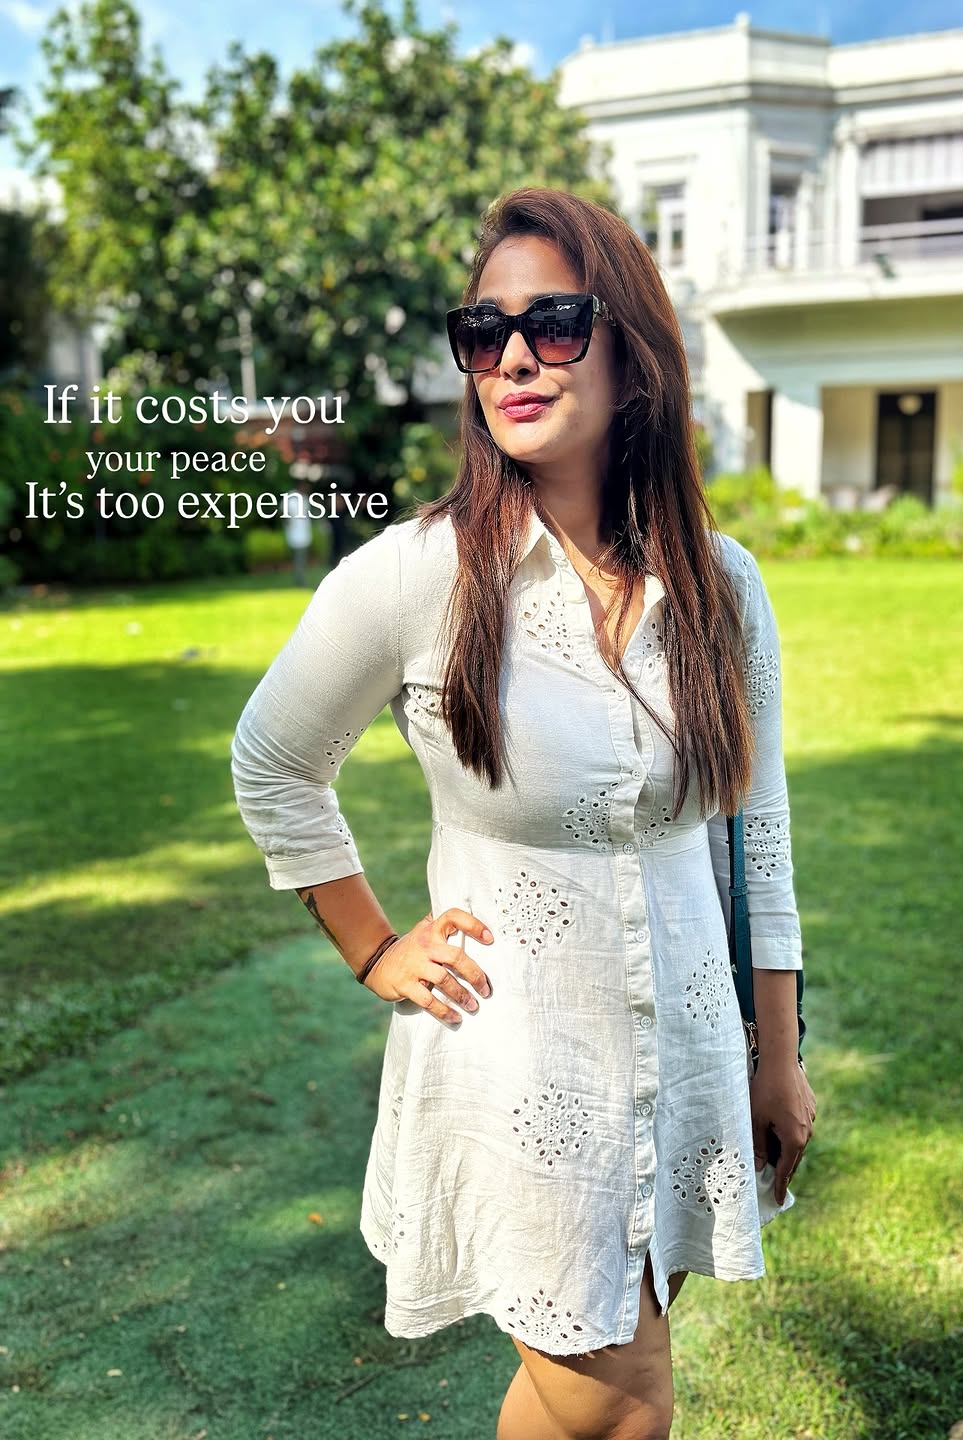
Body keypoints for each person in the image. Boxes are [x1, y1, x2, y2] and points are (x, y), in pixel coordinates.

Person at [230, 186, 816, 1440]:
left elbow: (754, 832)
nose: (510, 357)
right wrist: (375, 948)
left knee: (574, 1399)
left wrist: (779, 1054)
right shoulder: (417, 575)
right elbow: (273, 760)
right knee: (624, 1400)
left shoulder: (723, 586)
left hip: (685, 1056)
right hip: (520, 1070)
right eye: (482, 331)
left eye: (552, 324)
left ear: (632, 350)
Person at [281, 477, 313, 584]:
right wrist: (289, 525)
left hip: (304, 533)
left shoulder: (304, 498)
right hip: (294, 533)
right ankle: (299, 578)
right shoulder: (290, 497)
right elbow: (283, 513)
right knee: (298, 557)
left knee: (301, 558)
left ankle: (300, 577)